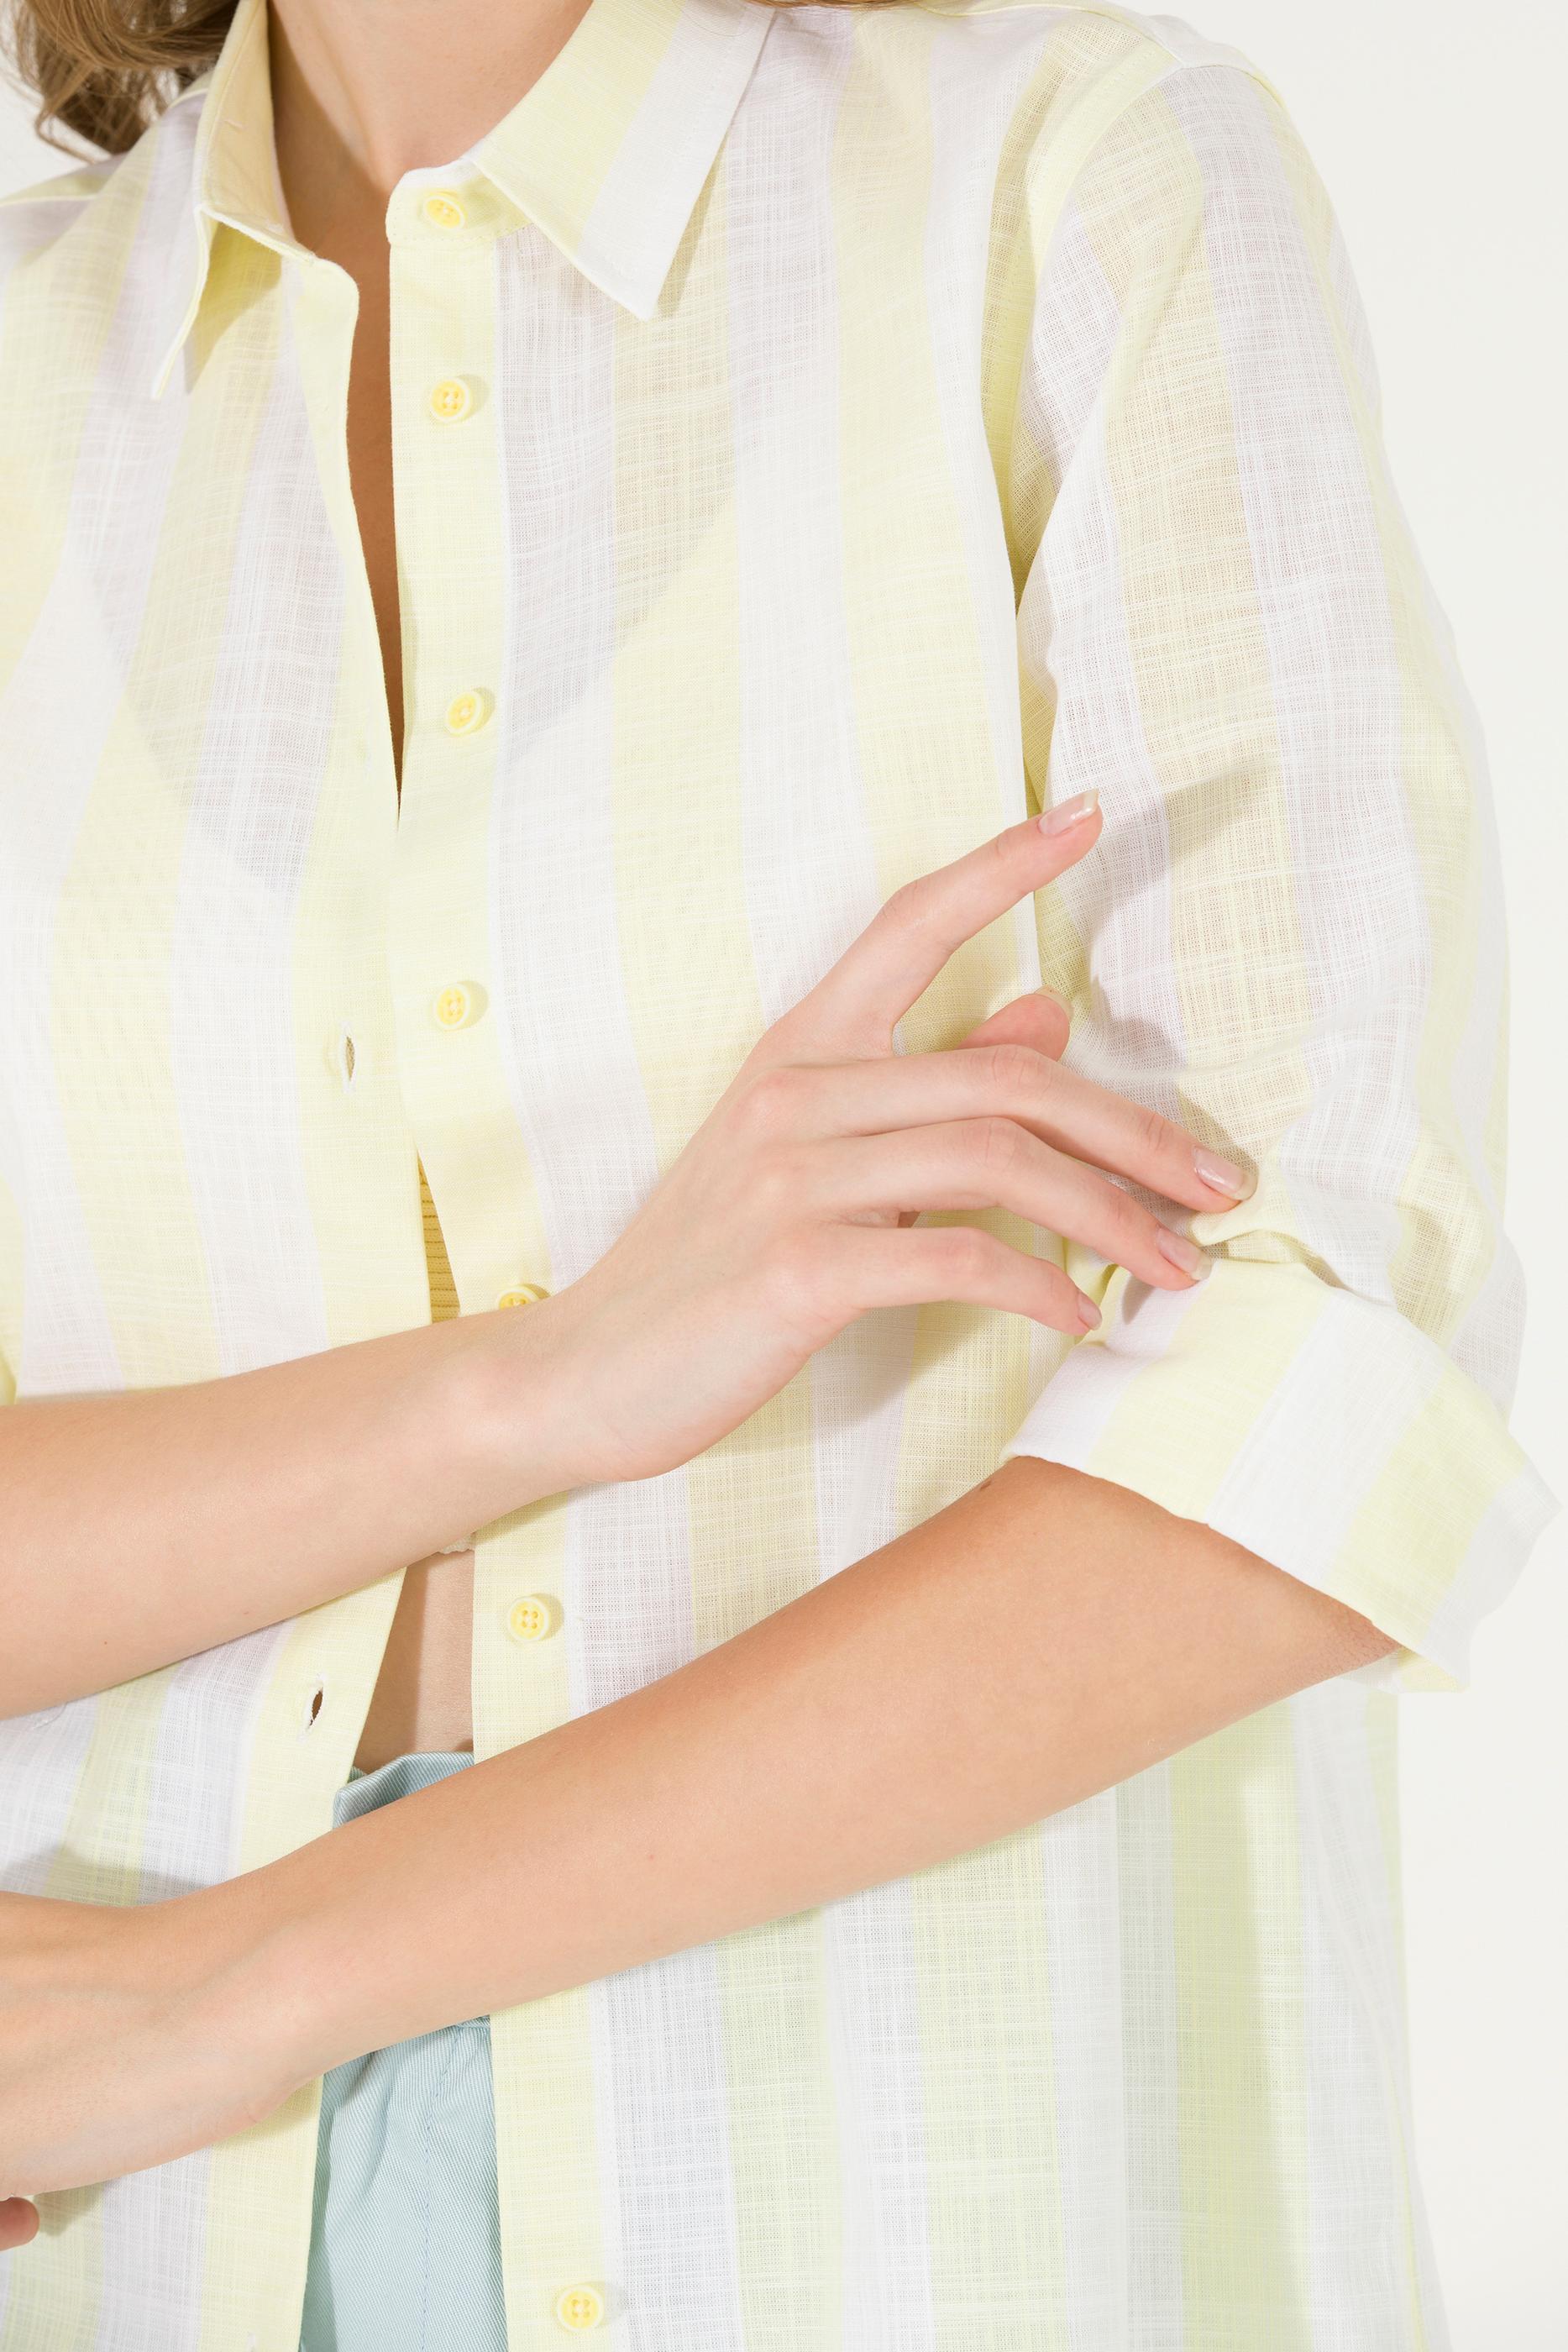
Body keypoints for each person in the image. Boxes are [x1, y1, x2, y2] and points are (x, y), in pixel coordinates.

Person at [0, 0, 1556, 2343]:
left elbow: (1318, 1394)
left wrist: (231, 1987)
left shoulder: (1066, 184)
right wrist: (536, 1386)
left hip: (880, 2205)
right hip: (130, 2243)